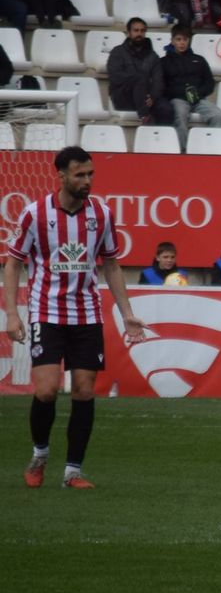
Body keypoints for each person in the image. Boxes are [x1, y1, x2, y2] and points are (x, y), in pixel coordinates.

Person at [5, 146, 146, 489]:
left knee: (84, 391)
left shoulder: (102, 214)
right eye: (80, 175)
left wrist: (127, 314)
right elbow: (13, 262)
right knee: (47, 390)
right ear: (62, 176)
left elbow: (111, 263)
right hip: (46, 311)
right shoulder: (35, 214)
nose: (87, 181)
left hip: (86, 314)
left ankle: (73, 472)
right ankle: (39, 455)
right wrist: (12, 313)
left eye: (91, 174)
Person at [159, 25, 221, 147]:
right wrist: (182, 93)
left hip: (198, 99)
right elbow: (162, 86)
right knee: (179, 115)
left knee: (217, 114)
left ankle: (217, 149)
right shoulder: (164, 62)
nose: (182, 43)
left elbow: (210, 82)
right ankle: (182, 152)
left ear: (189, 41)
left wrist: (197, 94)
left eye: (185, 39)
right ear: (172, 40)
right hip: (178, 99)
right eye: (178, 39)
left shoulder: (199, 60)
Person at [107, 17, 171, 125]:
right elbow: (115, 76)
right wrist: (136, 80)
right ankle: (144, 116)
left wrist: (153, 96)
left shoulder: (153, 56)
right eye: (136, 30)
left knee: (166, 109)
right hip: (123, 96)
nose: (139, 34)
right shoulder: (118, 52)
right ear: (129, 32)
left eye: (142, 31)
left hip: (147, 98)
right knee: (140, 77)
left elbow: (158, 81)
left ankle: (163, 140)